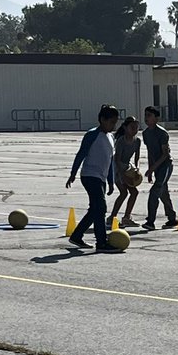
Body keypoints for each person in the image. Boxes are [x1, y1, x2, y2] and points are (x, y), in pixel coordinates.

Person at [66, 104, 120, 251]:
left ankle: (76, 236)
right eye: (111, 122)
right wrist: (73, 174)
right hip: (90, 176)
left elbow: (109, 161)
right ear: (102, 119)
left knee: (95, 209)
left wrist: (110, 181)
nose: (113, 125)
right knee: (101, 208)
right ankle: (101, 243)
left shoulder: (111, 137)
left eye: (115, 122)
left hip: (100, 178)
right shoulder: (92, 135)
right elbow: (81, 154)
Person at [141, 105, 178, 231]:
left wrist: (153, 168)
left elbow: (165, 154)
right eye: (145, 115)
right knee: (163, 192)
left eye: (149, 116)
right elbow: (150, 152)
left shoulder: (162, 133)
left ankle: (150, 221)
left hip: (165, 166)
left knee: (155, 191)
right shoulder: (145, 133)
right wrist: (151, 169)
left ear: (156, 118)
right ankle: (172, 218)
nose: (146, 118)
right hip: (156, 167)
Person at [110, 116, 142, 228]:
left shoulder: (137, 141)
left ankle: (127, 217)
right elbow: (117, 159)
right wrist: (123, 176)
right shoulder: (121, 141)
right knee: (123, 193)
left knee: (134, 192)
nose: (135, 129)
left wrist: (137, 169)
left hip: (127, 167)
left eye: (136, 127)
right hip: (117, 167)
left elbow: (137, 157)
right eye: (132, 127)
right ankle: (112, 218)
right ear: (125, 127)